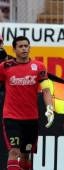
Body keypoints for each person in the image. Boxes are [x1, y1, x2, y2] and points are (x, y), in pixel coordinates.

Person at [0, 36, 54, 170]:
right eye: (21, 46)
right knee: (14, 152)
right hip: (12, 117)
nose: (24, 48)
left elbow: (46, 90)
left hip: (31, 118)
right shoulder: (5, 67)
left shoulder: (39, 67)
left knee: (25, 156)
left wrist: (50, 108)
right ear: (14, 49)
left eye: (26, 46)